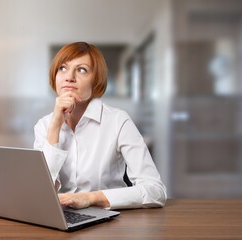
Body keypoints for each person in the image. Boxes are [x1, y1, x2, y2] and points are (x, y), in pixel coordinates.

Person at [34, 42, 166, 210]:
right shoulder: (44, 126)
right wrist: (55, 126)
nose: (69, 77)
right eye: (62, 68)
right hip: (61, 218)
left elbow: (155, 191)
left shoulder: (118, 120)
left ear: (96, 80)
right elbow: (41, 192)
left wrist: (90, 198)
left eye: (81, 70)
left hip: (109, 221)